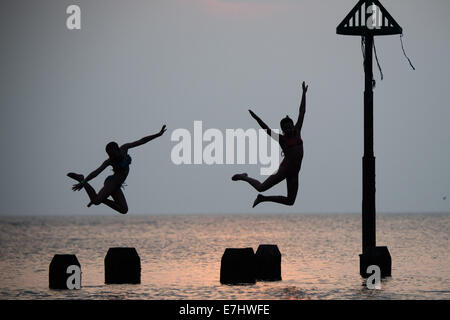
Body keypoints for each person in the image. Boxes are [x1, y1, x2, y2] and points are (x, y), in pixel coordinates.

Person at [232, 82, 308, 207]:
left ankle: (262, 199)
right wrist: (256, 118)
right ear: (283, 130)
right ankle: (244, 177)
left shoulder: (298, 131)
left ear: (293, 125)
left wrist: (303, 94)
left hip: (294, 173)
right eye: (286, 128)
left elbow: (302, 112)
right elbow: (266, 129)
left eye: (290, 126)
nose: (289, 129)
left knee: (290, 201)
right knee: (261, 187)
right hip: (283, 170)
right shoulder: (282, 139)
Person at [67, 125, 167, 214]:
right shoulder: (109, 161)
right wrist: (84, 181)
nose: (111, 156)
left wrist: (158, 134)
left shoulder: (125, 148)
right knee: (96, 201)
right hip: (111, 182)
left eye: (112, 154)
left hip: (117, 185)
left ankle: (103, 199)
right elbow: (96, 172)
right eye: (109, 155)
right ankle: (81, 179)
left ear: (117, 149)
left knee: (124, 210)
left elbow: (142, 141)